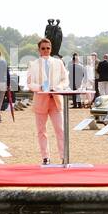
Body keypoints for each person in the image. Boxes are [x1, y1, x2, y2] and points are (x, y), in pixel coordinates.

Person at [25, 37, 69, 165]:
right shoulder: (33, 64)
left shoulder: (58, 63)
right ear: (39, 50)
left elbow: (65, 80)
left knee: (60, 129)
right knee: (41, 130)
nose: (46, 50)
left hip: (56, 100)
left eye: (48, 48)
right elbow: (29, 83)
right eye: (43, 48)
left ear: (51, 49)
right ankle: (45, 157)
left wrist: (58, 87)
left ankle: (63, 156)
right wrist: (40, 88)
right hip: (41, 100)